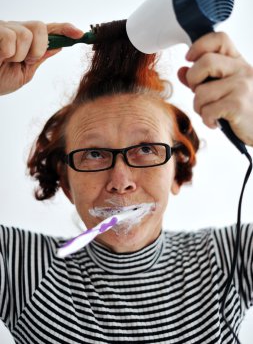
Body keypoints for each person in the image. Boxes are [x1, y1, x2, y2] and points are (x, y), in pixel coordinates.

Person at [0, 19, 253, 344]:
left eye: (146, 149)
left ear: (177, 170)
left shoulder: (231, 258)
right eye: (93, 154)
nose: (120, 181)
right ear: (66, 183)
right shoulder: (19, 269)